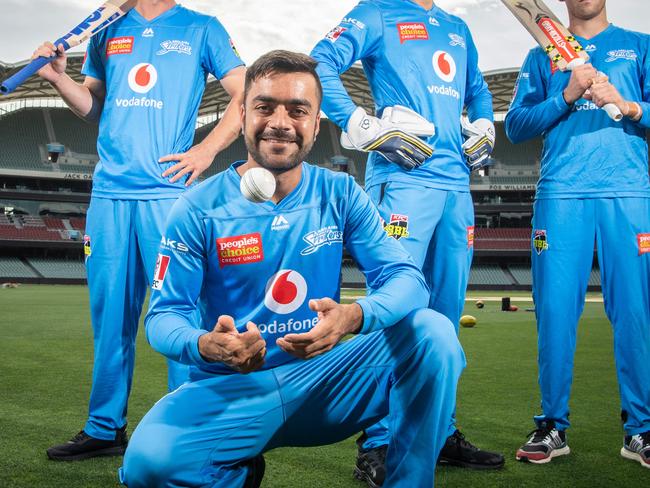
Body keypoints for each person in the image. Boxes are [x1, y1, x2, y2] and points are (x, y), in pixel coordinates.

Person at [119, 50, 465, 488]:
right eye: (265, 107)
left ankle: (409, 483)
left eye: (297, 110)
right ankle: (236, 470)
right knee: (148, 468)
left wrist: (354, 317)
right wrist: (207, 343)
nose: (280, 122)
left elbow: (407, 280)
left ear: (316, 124)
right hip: (231, 387)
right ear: (242, 114)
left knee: (433, 334)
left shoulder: (340, 192)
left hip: (325, 381)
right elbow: (163, 319)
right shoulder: (196, 207)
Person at [35, 0, 246, 460]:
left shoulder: (202, 28)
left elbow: (246, 94)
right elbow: (96, 106)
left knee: (177, 316)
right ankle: (105, 427)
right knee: (110, 317)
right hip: (109, 193)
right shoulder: (106, 26)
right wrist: (58, 79)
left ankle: (184, 430)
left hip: (167, 196)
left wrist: (207, 151)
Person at [310, 0, 504, 482]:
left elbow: (478, 91)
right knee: (393, 307)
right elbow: (319, 62)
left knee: (444, 312)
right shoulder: (377, 12)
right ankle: (378, 441)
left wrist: (483, 124)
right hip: (403, 181)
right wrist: (362, 126)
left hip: (456, 189)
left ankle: (440, 430)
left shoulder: (457, 27)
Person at [506, 0, 650, 468]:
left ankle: (641, 430)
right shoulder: (538, 56)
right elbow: (515, 125)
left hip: (628, 193)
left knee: (635, 312)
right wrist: (565, 95)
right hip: (561, 195)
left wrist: (626, 105)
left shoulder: (638, 47)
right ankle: (552, 425)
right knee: (554, 312)